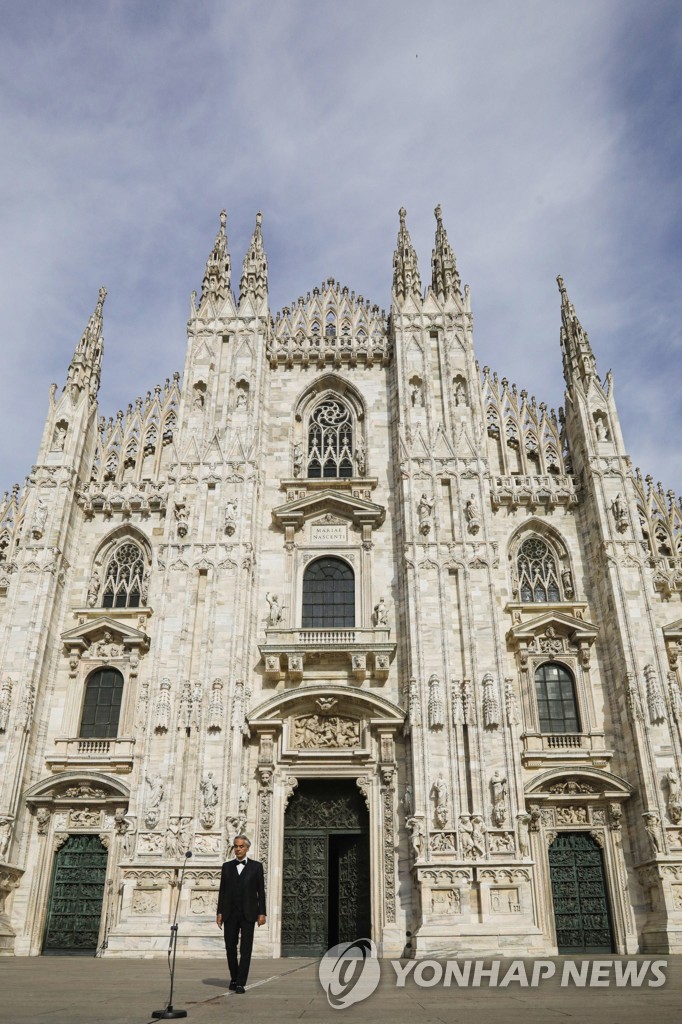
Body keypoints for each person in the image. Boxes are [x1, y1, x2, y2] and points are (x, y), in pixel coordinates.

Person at [216, 835, 266, 993]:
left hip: (249, 913)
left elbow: (261, 892)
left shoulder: (256, 867)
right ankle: (234, 977)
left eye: (241, 846)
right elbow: (222, 891)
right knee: (230, 947)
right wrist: (219, 912)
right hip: (230, 913)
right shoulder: (227, 866)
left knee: (246, 949)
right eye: (236, 846)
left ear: (247, 848)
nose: (238, 849)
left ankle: (241, 982)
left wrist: (262, 913)